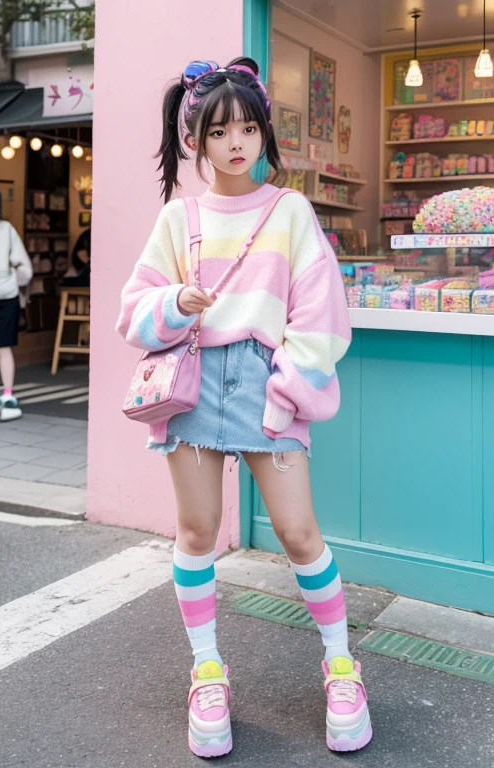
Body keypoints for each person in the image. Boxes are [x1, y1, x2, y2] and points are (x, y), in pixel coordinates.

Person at [116, 58, 372, 757]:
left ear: (264, 135)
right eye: (220, 129)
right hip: (196, 387)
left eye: (249, 127)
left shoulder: (290, 212)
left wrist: (288, 389)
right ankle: (207, 672)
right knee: (197, 532)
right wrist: (173, 303)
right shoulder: (180, 218)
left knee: (297, 533)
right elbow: (133, 311)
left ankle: (342, 667)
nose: (236, 141)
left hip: (270, 383)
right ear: (194, 139)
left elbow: (321, 315)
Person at [0, 183, 32, 421]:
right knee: (4, 348)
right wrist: (13, 281)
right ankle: (8, 394)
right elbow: (24, 269)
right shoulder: (8, 229)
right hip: (5, 296)